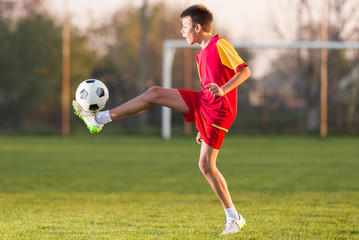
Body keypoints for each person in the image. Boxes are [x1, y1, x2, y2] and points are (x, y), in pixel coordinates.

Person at [72, 4, 251, 235]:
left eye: (185, 26)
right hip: (205, 105)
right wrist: (201, 124)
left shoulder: (220, 44)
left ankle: (234, 217)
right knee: (154, 92)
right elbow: (208, 88)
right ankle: (100, 119)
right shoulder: (200, 54)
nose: (182, 31)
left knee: (206, 165)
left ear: (197, 27)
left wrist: (224, 90)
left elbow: (245, 71)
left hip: (219, 110)